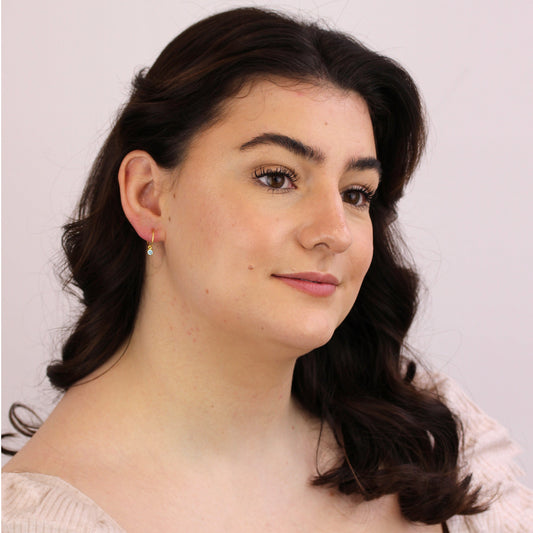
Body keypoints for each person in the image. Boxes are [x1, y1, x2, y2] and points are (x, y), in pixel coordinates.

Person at [2, 7, 532, 532]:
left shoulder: (442, 443)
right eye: (277, 177)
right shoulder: (37, 522)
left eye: (355, 193)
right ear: (149, 196)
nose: (335, 232)